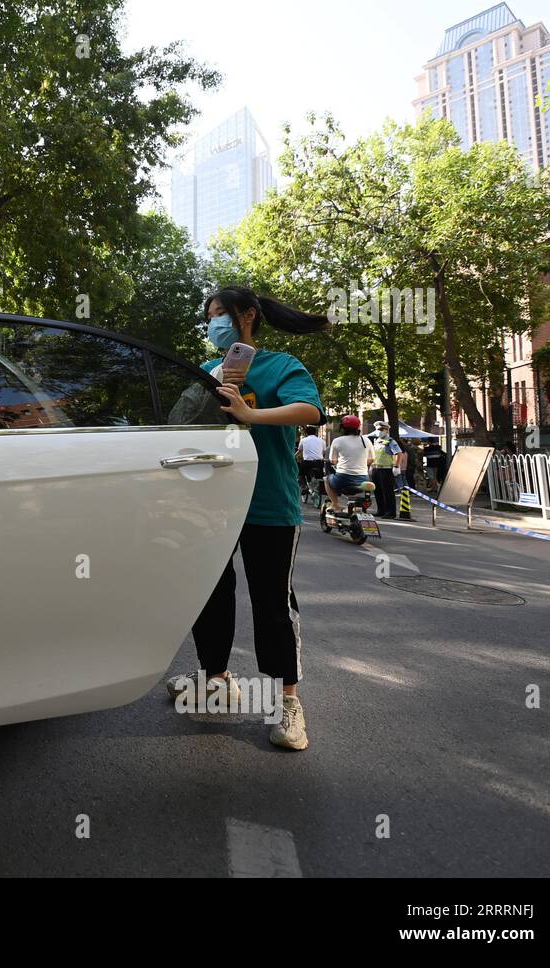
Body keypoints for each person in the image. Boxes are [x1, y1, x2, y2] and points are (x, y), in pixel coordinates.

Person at [165, 286, 325, 751]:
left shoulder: (281, 365)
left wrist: (249, 411)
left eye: (220, 315)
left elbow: (310, 411)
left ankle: (288, 703)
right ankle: (217, 682)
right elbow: (179, 425)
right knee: (211, 596)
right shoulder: (210, 372)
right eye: (209, 317)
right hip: (212, 507)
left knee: (272, 604)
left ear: (247, 317)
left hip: (270, 504)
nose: (213, 323)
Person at [324, 416, 371, 512]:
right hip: (364, 479)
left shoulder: (337, 441)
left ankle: (335, 504)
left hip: (342, 479)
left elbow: (333, 461)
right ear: (358, 427)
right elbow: (371, 459)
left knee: (326, 479)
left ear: (342, 428)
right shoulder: (366, 440)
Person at [369, 421, 402, 518]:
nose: (378, 431)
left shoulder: (390, 441)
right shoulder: (376, 441)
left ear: (386, 430)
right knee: (377, 491)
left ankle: (390, 512)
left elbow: (398, 453)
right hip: (376, 469)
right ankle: (381, 510)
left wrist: (396, 466)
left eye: (380, 430)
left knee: (387, 492)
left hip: (386, 469)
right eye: (377, 430)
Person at [295, 426, 326, 495]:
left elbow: (299, 450)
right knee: (320, 476)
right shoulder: (322, 441)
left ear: (306, 433)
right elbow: (323, 452)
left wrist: (294, 456)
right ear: (315, 432)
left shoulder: (303, 440)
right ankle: (320, 487)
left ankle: (304, 487)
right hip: (319, 462)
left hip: (307, 462)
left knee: (300, 475)